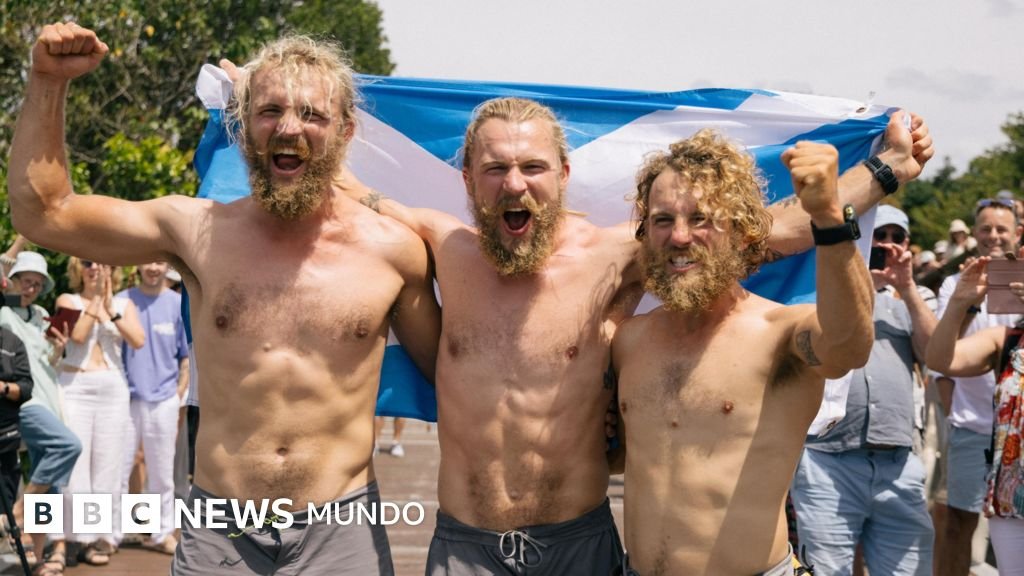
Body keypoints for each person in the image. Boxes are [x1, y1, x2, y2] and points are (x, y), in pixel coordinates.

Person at [364, 93, 931, 574]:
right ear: (467, 178)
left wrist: (882, 174)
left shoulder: (628, 257)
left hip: (581, 545)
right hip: (468, 547)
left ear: (564, 174)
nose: (514, 184)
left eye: (533, 166)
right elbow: (342, 195)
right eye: (495, 169)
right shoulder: (448, 247)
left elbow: (775, 231)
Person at [8, 23, 440, 575]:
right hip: (222, 531)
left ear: (345, 131)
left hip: (342, 530)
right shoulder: (195, 230)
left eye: (312, 114)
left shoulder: (393, 251)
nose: (290, 127)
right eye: (271, 110)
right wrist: (47, 81)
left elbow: (455, 376)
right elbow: (44, 212)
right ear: (243, 127)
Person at [607, 131, 873, 575]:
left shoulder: (781, 335)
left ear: (743, 232)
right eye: (662, 220)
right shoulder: (628, 341)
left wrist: (829, 218)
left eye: (702, 218)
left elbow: (849, 346)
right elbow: (627, 456)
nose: (679, 236)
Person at [789, 205, 938, 575]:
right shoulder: (823, 291)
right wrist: (855, 277)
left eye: (896, 238)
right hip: (828, 460)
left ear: (908, 246)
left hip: (898, 463)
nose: (886, 245)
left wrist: (904, 285)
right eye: (878, 236)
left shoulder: (914, 300)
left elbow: (936, 354)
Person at [931, 197, 1022, 576]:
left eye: (1003, 229)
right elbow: (940, 360)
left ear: (1016, 233)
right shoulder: (1006, 336)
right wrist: (962, 303)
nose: (994, 236)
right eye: (986, 228)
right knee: (957, 526)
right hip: (998, 464)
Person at [54, 258, 144, 565]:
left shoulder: (122, 304)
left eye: (102, 263)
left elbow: (138, 340)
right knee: (76, 466)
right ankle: (73, 537)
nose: (95, 268)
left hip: (112, 388)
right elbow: (77, 336)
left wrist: (110, 307)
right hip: (75, 385)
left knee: (107, 468)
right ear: (78, 268)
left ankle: (95, 539)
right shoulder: (68, 299)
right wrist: (95, 301)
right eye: (88, 262)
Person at [0, 243, 82, 576]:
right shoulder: (3, 311)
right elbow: (1, 266)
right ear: (13, 280)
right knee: (68, 445)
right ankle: (18, 511)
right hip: (25, 403)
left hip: (50, 401)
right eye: (25, 281)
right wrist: (23, 236)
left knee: (51, 486)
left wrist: (59, 350)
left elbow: (48, 367)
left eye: (37, 283)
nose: (30, 288)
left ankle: (34, 558)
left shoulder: (41, 317)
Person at [113, 261, 189, 554]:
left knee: (162, 473)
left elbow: (186, 357)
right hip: (126, 399)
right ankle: (114, 533)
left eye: (159, 262)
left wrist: (177, 394)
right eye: (148, 262)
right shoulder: (122, 299)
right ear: (138, 266)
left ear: (166, 266)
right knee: (119, 470)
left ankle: (162, 533)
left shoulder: (178, 304)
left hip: (164, 400)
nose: (153, 268)